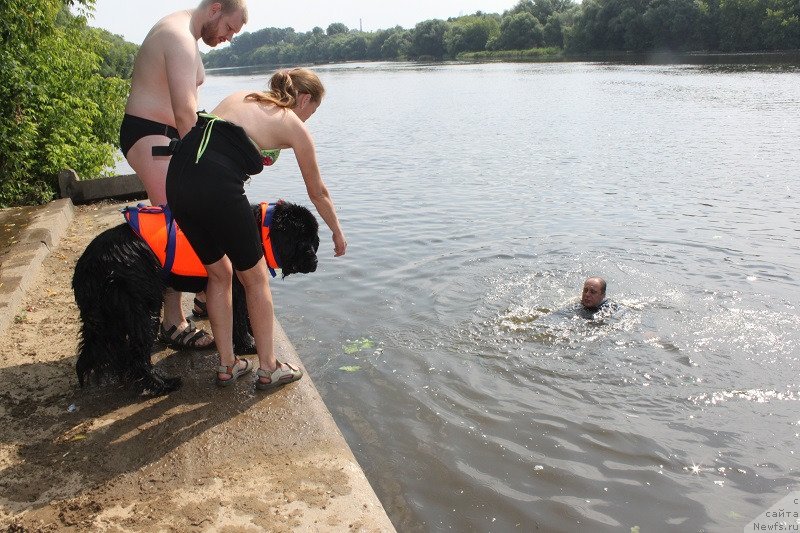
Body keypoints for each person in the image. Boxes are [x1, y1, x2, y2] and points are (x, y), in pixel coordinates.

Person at [165, 68, 347, 389]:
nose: (308, 120)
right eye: (312, 112)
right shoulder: (293, 125)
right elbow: (317, 191)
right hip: (216, 183)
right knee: (256, 276)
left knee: (219, 272)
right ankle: (269, 367)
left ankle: (227, 364)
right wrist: (336, 230)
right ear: (304, 99)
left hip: (179, 178)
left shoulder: (244, 97)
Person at [119, 0, 248, 350]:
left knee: (187, 218)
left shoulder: (185, 34)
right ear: (215, 9)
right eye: (230, 28)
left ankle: (206, 295)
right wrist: (210, 167)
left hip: (164, 135)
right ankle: (172, 322)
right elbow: (184, 111)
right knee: (176, 225)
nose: (229, 38)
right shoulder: (177, 36)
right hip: (152, 136)